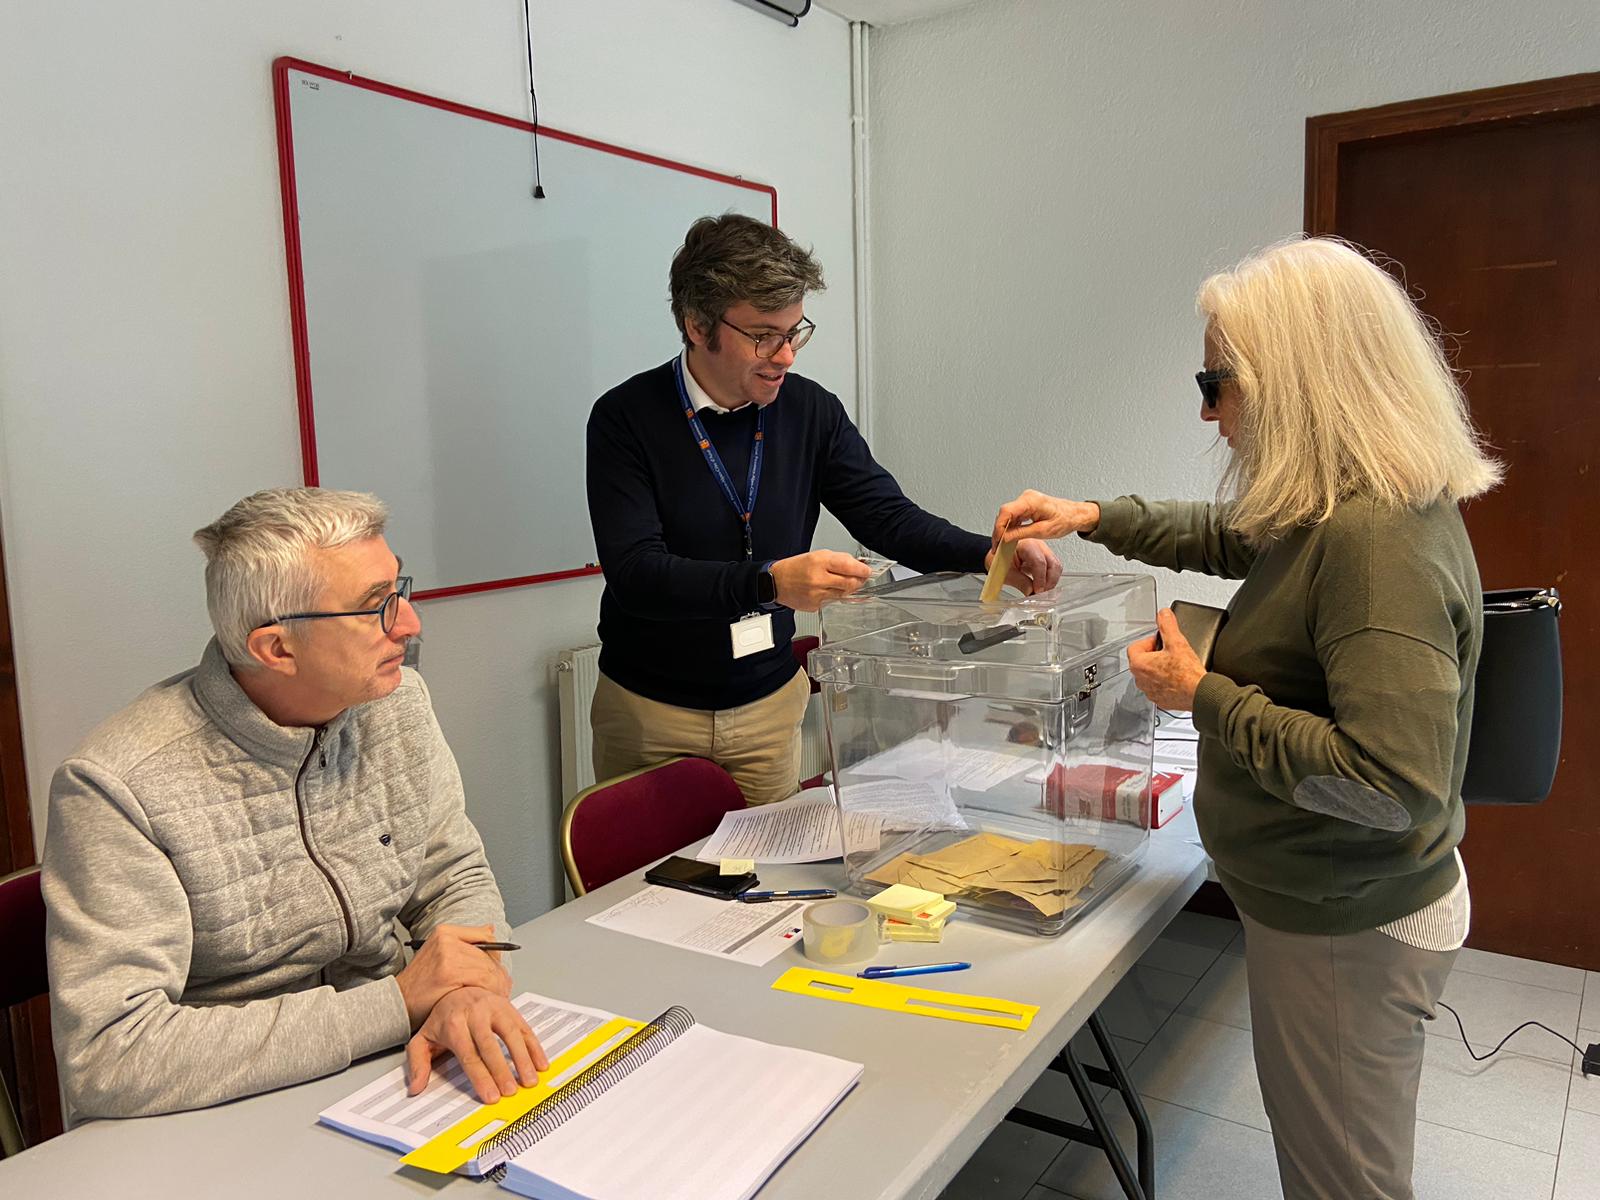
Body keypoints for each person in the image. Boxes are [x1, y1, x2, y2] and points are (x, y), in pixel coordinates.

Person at [993, 237, 1500, 1200]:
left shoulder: (1376, 544)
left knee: (1340, 1183)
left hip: (1350, 919)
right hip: (1325, 900)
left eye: (1216, 383)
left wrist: (1206, 697)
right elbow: (1229, 534)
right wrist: (1091, 515)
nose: (1207, 411)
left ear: (1296, 383)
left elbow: (1392, 789)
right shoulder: (1342, 504)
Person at [42, 488, 548, 1119]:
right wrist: (399, 1001)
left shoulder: (396, 703)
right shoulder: (116, 787)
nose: (410, 623)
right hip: (219, 1109)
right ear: (276, 649)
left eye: (399, 589)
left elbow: (453, 875)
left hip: (393, 1069)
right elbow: (110, 1058)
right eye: (376, 607)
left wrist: (464, 989)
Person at [586, 213, 1060, 804]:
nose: (786, 355)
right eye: (764, 336)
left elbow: (887, 517)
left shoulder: (810, 411)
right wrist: (769, 582)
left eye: (795, 332)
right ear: (698, 326)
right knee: (657, 864)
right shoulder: (625, 418)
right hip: (651, 713)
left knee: (767, 861)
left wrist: (988, 555)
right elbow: (636, 574)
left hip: (766, 707)